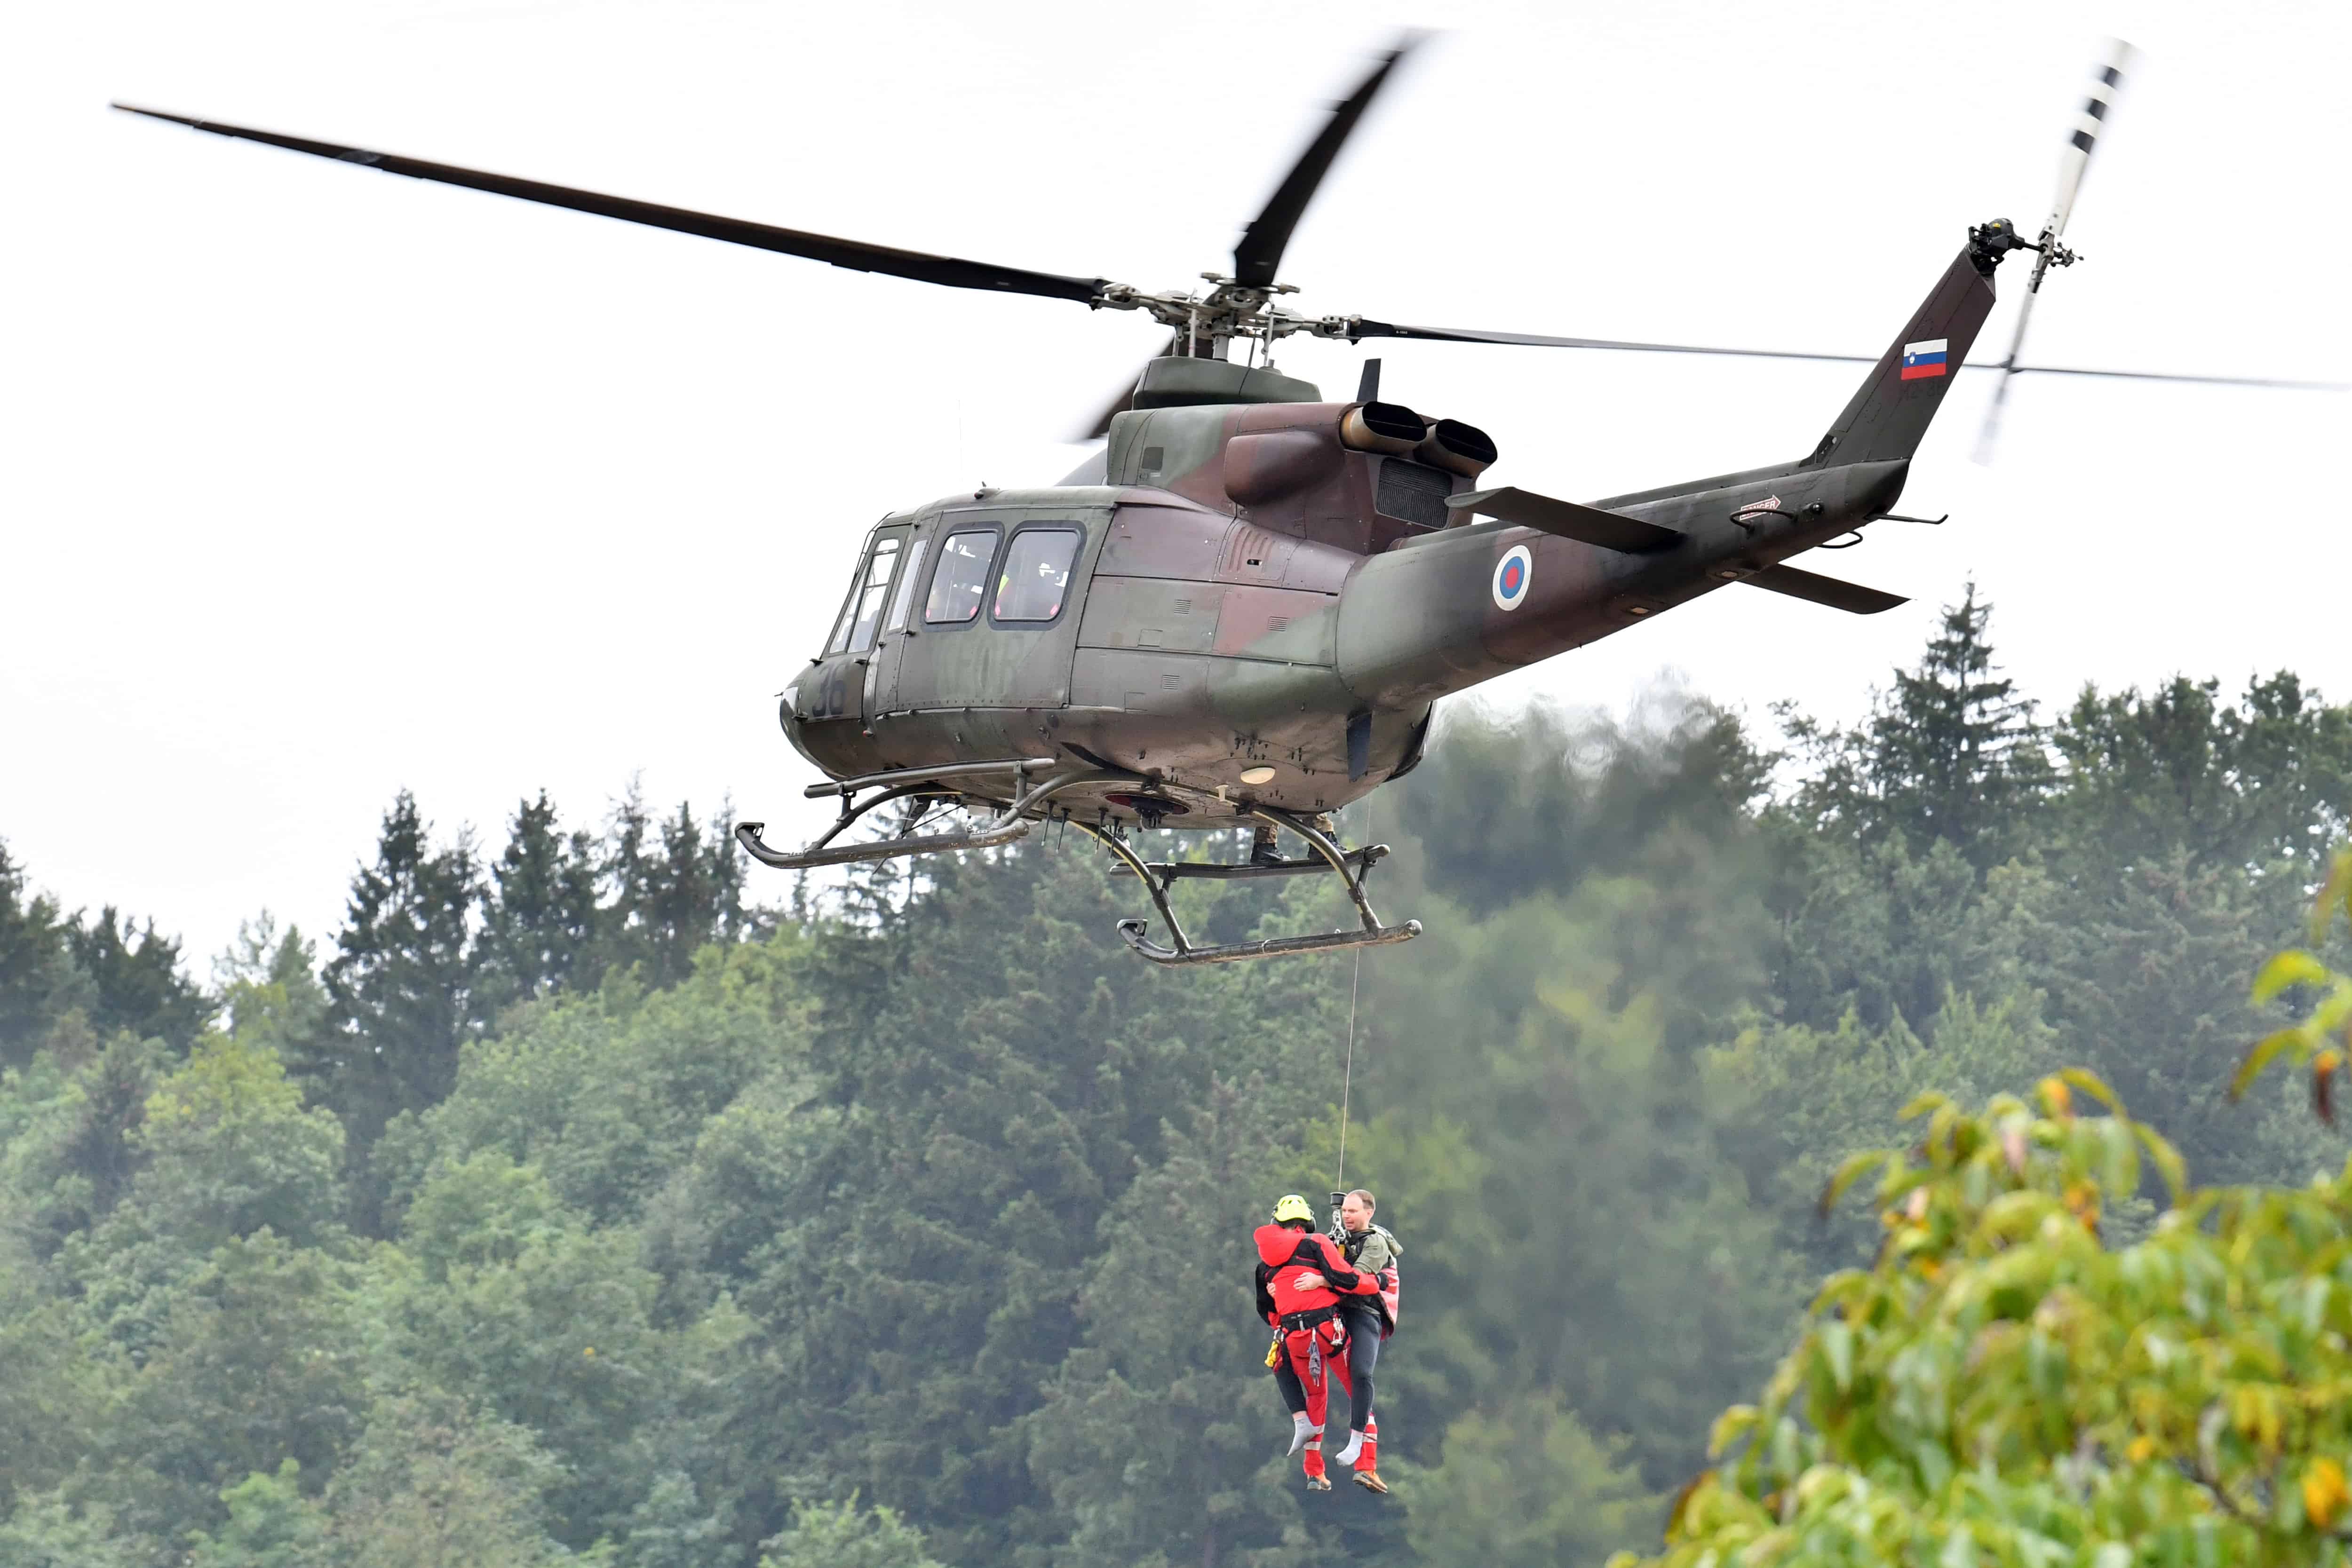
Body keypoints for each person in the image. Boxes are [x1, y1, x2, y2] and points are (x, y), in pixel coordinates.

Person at [1253, 1193, 1379, 1490]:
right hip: (1329, 1334)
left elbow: (1269, 1314)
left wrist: (1284, 1299)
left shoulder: (1264, 1266)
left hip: (1296, 1341)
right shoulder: (1317, 1243)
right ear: (1306, 1222)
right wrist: (1374, 1284)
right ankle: (1367, 1464)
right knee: (1358, 1390)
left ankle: (1314, 1471)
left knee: (1316, 1397)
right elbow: (1347, 1280)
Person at [1326, 1188, 1402, 1493]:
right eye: (1344, 1211)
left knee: (1361, 1374)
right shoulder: (1337, 1239)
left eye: (1353, 1211)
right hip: (1335, 1311)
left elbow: (1353, 1281)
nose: (1347, 1216)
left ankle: (1359, 1439)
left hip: (1363, 1313)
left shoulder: (1375, 1242)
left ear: (1369, 1213)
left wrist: (1322, 1276)